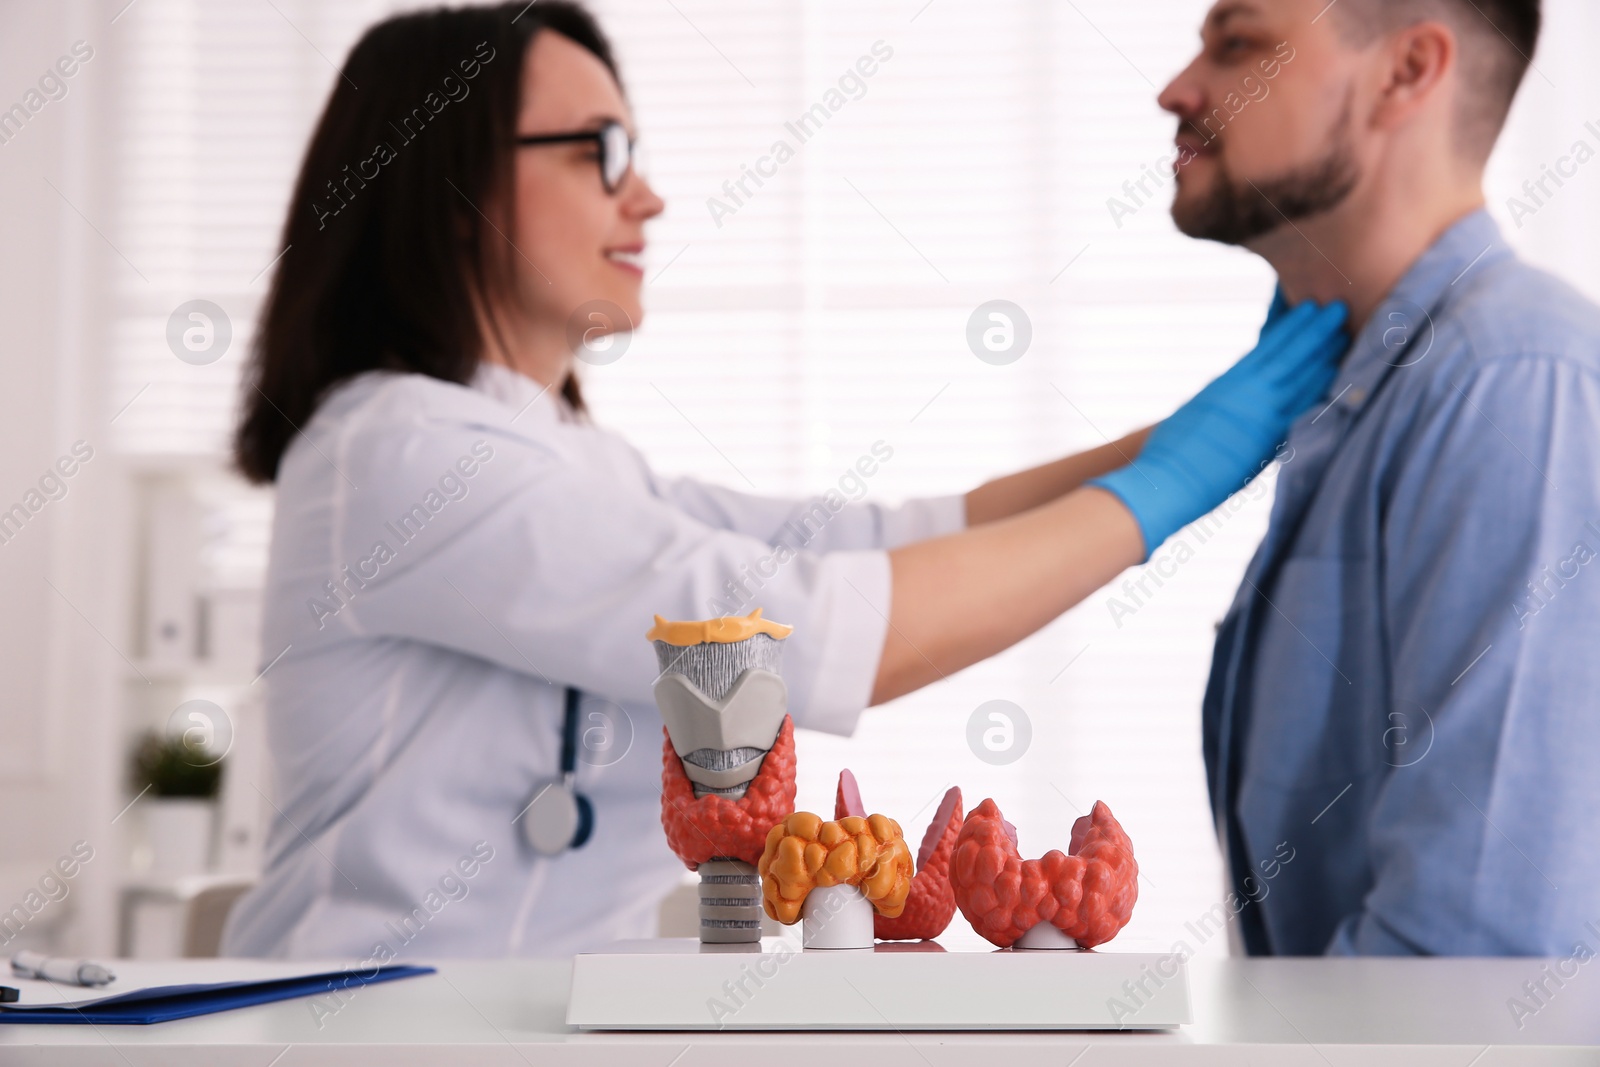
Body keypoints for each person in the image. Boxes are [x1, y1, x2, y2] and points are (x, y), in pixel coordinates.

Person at [219, 1, 1346, 959]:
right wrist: (1180, 478)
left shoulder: (568, 459)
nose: (647, 198)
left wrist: (1189, 426)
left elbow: (866, 540)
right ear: (448, 179)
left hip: (511, 1019)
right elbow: (788, 635)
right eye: (600, 151)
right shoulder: (399, 452)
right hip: (365, 1021)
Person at [1157, 0, 1600, 955]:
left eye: (1238, 46)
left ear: (1405, 74)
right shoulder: (1364, 391)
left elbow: (1476, 956)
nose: (1177, 91)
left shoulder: (1513, 379)